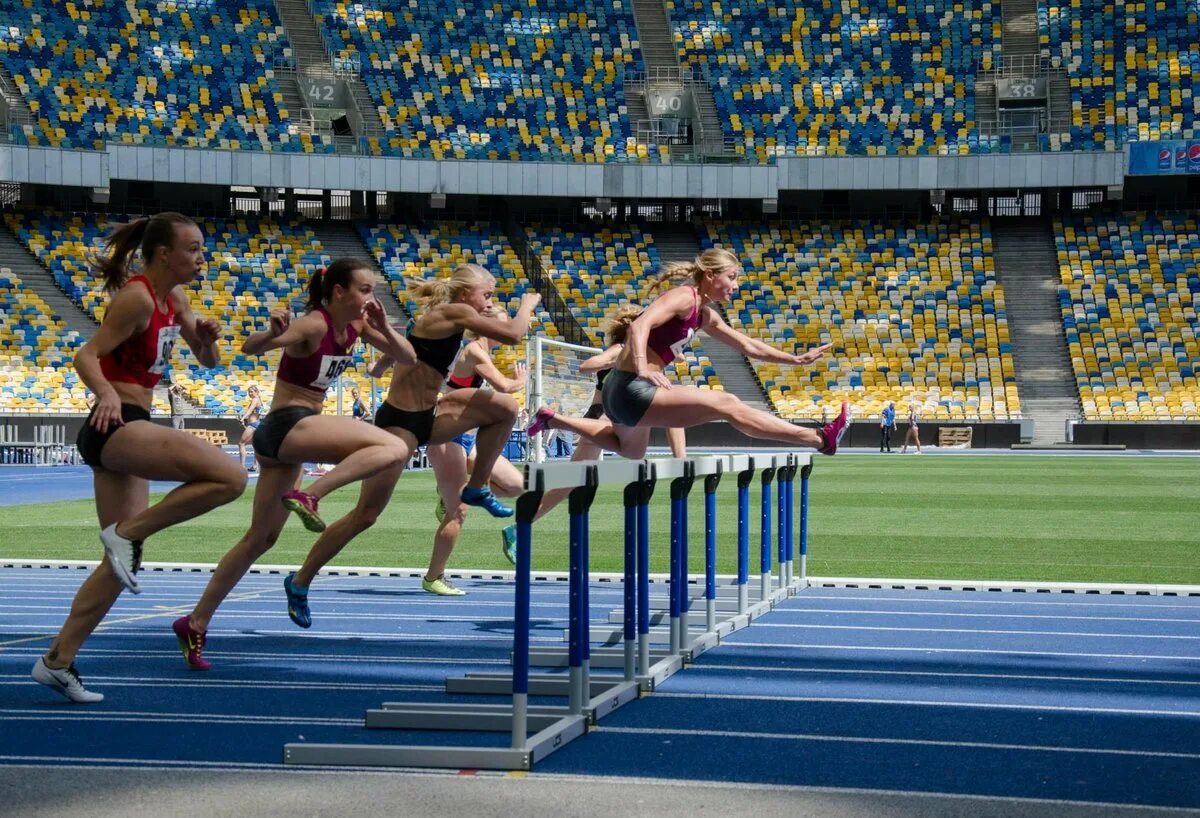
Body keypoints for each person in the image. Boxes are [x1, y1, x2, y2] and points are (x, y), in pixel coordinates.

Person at [32, 212, 248, 703]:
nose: (201, 256)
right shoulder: (136, 297)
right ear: (163, 254)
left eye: (201, 248)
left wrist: (208, 342)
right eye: (192, 248)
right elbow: (86, 356)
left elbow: (207, 360)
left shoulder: (175, 298)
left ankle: (57, 662)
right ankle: (126, 534)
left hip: (129, 426)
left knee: (118, 564)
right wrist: (105, 393)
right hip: (118, 423)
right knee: (231, 476)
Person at [172, 258, 417, 670]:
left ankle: (195, 622)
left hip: (291, 439)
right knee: (393, 447)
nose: (370, 298)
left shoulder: (355, 327)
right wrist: (271, 333)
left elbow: (407, 356)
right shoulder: (315, 325)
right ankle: (310, 494)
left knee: (260, 539)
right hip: (287, 424)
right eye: (363, 290)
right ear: (338, 292)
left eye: (372, 290)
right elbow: (250, 348)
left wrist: (386, 326)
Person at [277, 264, 539, 627]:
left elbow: (408, 351)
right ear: (465, 295)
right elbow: (513, 334)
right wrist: (527, 304)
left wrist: (386, 358)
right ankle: (300, 579)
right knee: (364, 516)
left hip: (429, 415)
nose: (491, 301)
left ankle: (477, 487)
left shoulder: (453, 316)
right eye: (487, 295)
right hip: (399, 425)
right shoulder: (452, 311)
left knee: (505, 408)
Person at [527, 248, 850, 458]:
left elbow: (748, 346)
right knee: (726, 403)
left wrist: (793, 359)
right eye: (731, 278)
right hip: (631, 386)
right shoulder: (684, 297)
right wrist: (642, 367)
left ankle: (555, 420)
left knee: (631, 451)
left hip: (621, 394)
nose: (735, 286)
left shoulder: (706, 314)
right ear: (711, 276)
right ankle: (818, 438)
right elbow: (640, 326)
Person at [514, 306, 687, 539]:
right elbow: (588, 365)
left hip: (609, 419)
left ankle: (521, 526)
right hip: (603, 417)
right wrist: (609, 364)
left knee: (571, 481)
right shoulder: (622, 350)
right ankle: (556, 421)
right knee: (577, 477)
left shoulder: (648, 356)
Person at [423, 306, 529, 584]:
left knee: (516, 485)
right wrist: (522, 381)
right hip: (448, 439)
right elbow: (503, 387)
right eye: (502, 326)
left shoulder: (480, 352)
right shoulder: (473, 350)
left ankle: (451, 491)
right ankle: (434, 577)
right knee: (458, 512)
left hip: (468, 439)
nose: (505, 333)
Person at [236, 383, 264, 471]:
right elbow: (254, 413)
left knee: (241, 443)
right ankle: (255, 466)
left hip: (253, 425)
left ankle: (242, 467)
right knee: (255, 445)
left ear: (256, 392)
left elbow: (250, 410)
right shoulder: (259, 400)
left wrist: (243, 418)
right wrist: (244, 420)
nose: (250, 393)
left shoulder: (255, 400)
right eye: (249, 392)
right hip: (256, 424)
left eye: (252, 392)